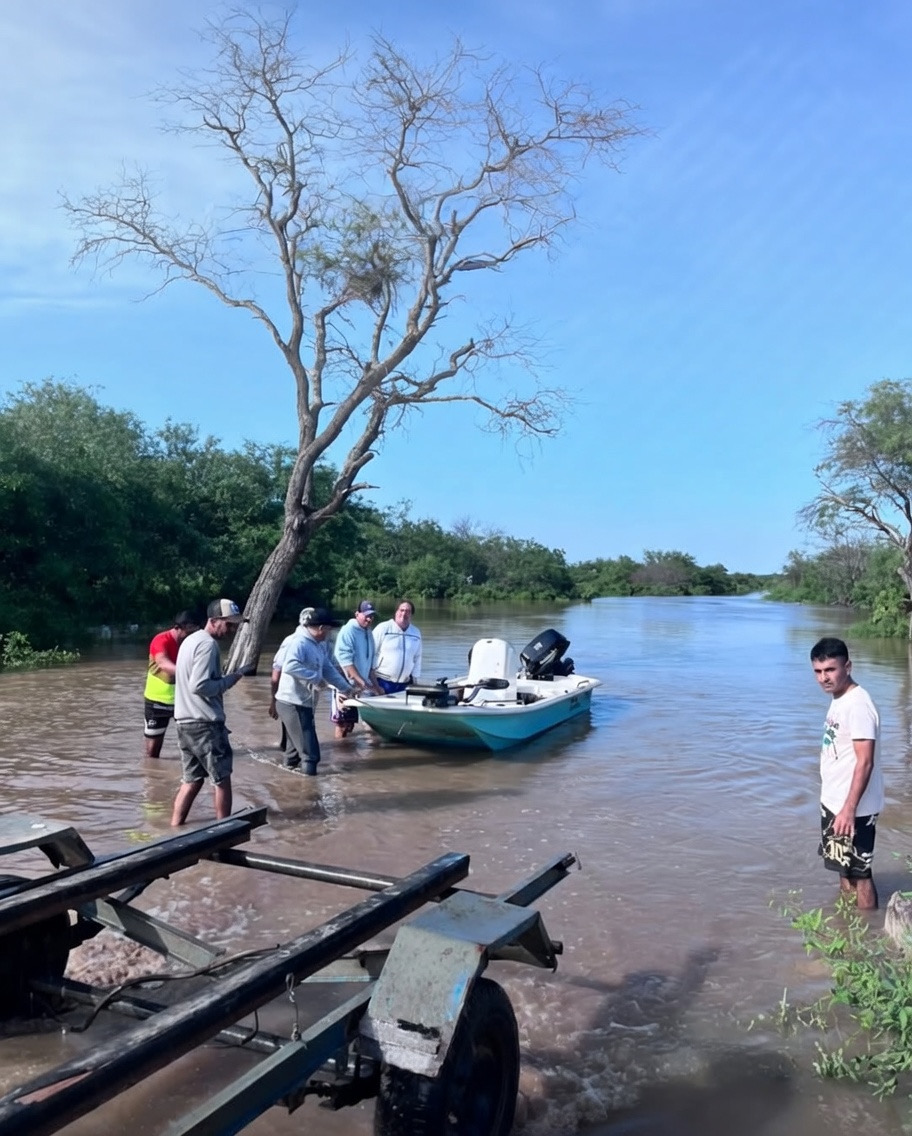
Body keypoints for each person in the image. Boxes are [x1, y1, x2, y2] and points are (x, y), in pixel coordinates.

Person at [810, 636, 884, 910]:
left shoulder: (858, 704)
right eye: (818, 671)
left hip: (855, 808)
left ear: (848, 666)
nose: (823, 678)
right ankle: (848, 931)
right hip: (835, 802)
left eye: (830, 669)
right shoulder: (839, 698)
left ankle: (868, 933)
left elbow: (865, 762)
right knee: (843, 868)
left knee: (860, 873)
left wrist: (849, 809)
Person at [171, 599, 249, 826]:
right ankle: (224, 830)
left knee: (191, 780)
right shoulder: (207, 645)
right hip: (205, 724)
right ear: (213, 621)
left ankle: (175, 827)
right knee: (222, 779)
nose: (232, 630)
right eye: (229, 624)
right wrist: (230, 680)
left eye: (235, 625)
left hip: (184, 722)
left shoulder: (189, 641)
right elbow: (200, 686)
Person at [276, 607, 353, 773]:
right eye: (329, 628)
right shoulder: (299, 642)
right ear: (320, 628)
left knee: (293, 753)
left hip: (304, 703)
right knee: (311, 754)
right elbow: (290, 666)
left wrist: (346, 688)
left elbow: (328, 668)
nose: (330, 632)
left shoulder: (319, 644)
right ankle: (310, 795)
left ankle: (284, 789)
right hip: (292, 703)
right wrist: (316, 679)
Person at [143, 609, 201, 758]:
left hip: (183, 701)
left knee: (193, 744)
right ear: (177, 628)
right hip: (156, 702)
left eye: (194, 632)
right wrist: (192, 674)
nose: (191, 636)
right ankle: (153, 779)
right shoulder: (161, 640)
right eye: (188, 632)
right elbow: (163, 664)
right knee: (152, 754)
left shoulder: (193, 643)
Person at [332, 600, 381, 738]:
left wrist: (376, 687)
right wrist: (362, 683)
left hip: (362, 685)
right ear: (357, 614)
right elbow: (346, 662)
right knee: (343, 724)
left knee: (358, 724)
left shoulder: (369, 632)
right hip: (345, 685)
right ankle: (340, 756)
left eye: (371, 616)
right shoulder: (348, 631)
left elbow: (371, 664)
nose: (369, 618)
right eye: (366, 615)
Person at [372, 599, 422, 693]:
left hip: (405, 684)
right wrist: (373, 682)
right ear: (396, 612)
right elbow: (370, 653)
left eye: (408, 611)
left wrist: (415, 681)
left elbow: (417, 658)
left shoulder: (416, 633)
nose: (404, 614)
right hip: (382, 681)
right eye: (401, 610)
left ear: (411, 615)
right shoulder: (383, 628)